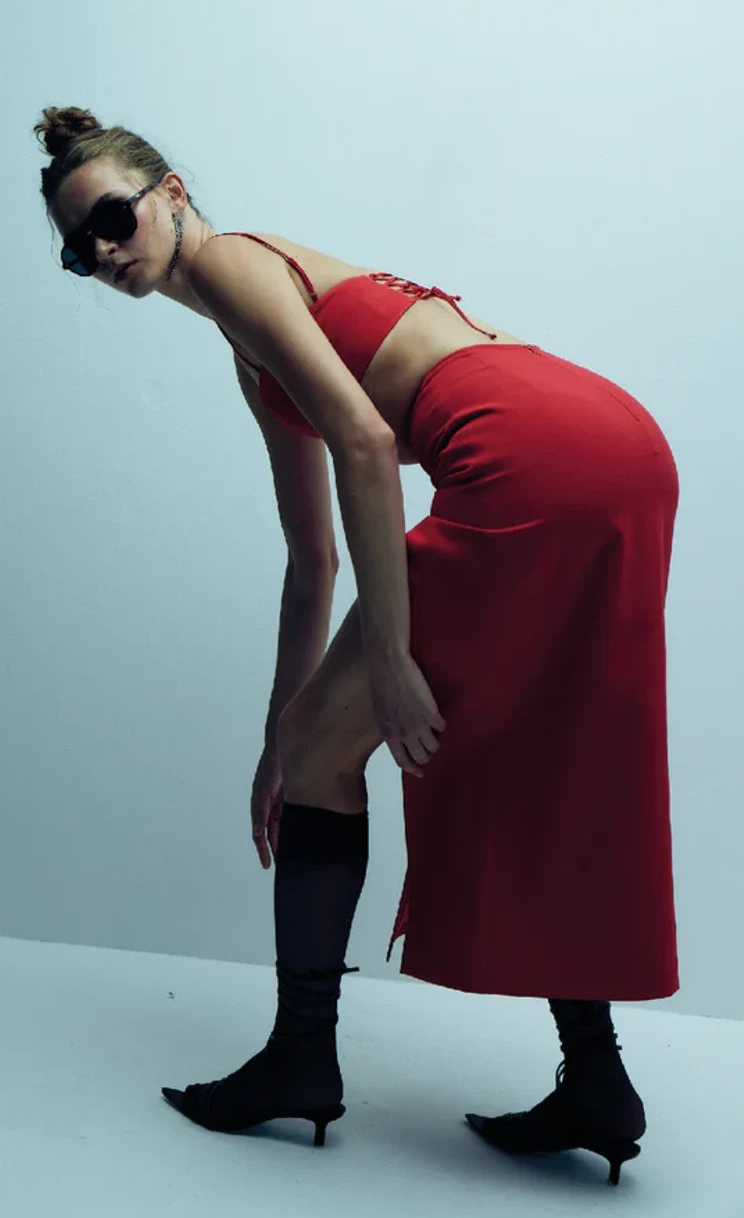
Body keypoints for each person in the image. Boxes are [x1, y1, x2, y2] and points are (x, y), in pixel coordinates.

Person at [34, 106, 679, 1187]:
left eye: (111, 217)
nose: (100, 252)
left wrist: (387, 659)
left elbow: (369, 442)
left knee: (360, 744)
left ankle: (301, 1059)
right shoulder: (253, 344)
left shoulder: (233, 264)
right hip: (611, 444)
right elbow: (312, 559)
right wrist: (279, 742)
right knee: (537, 762)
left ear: (173, 194)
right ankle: (598, 1083)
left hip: (527, 453)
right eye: (74, 248)